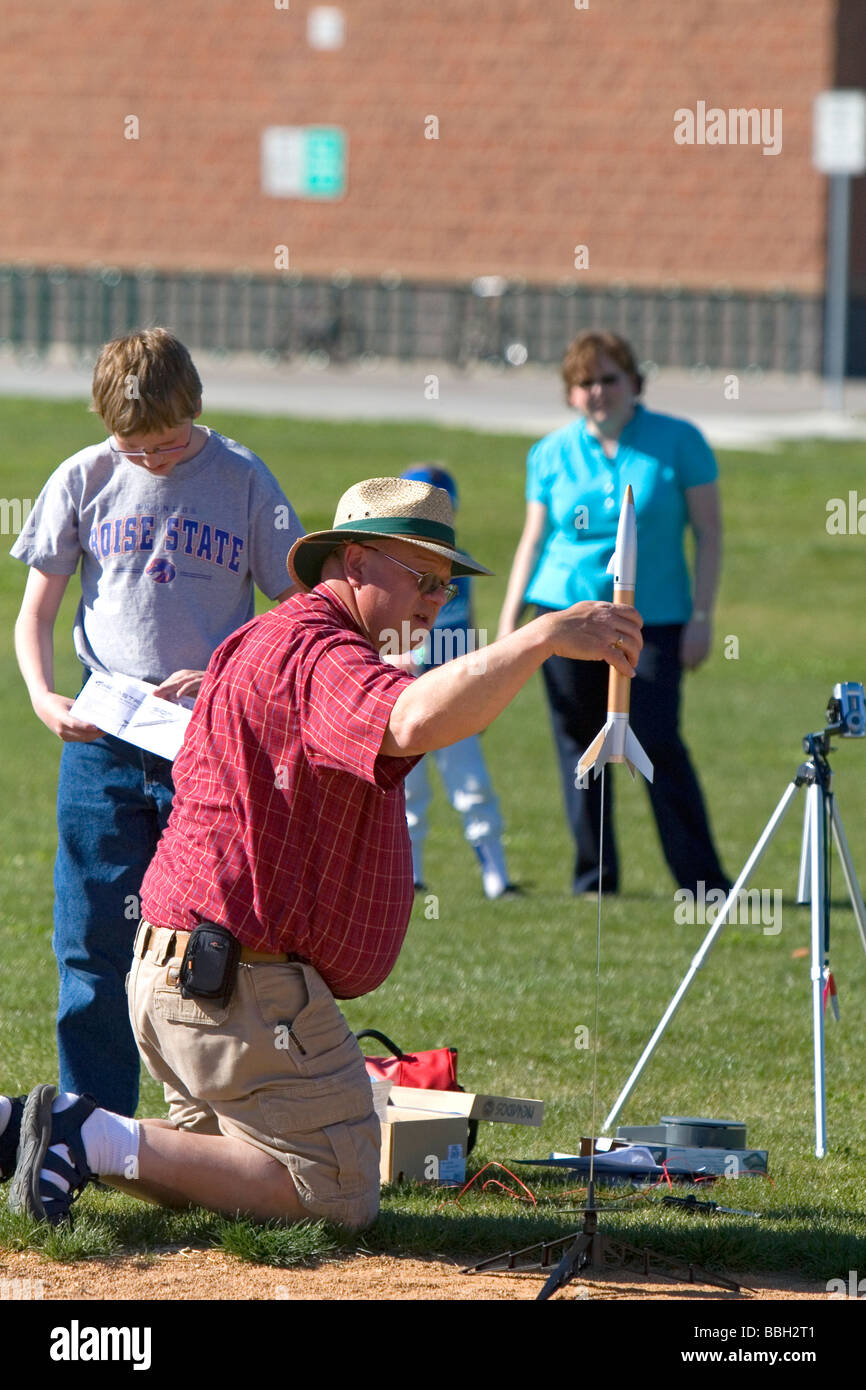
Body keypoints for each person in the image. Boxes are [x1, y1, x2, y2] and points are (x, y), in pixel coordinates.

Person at [3, 476, 642, 1229]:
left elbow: (389, 694)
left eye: (447, 585)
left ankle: (30, 1130)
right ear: (360, 564)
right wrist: (540, 637)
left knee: (233, 1172)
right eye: (424, 579)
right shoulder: (324, 655)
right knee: (336, 1192)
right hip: (234, 992)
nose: (437, 601)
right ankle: (81, 1134)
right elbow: (407, 720)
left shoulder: (277, 637)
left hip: (180, 981)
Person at [9, 328, 303, 1120]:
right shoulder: (83, 476)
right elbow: (34, 613)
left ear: (195, 410)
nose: (154, 461)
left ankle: (209, 1124)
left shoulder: (242, 479)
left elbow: (300, 616)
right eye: (135, 448)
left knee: (212, 943)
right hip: (102, 741)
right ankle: (89, 1127)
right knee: (91, 943)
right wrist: (43, 696)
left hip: (208, 746)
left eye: (169, 445)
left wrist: (221, 677)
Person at [497, 330, 730, 897]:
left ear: (634, 383)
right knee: (578, 743)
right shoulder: (550, 453)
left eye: (609, 378)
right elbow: (534, 539)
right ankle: (594, 879)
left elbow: (710, 531)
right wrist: (509, 625)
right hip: (564, 612)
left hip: (655, 618)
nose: (598, 391)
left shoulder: (679, 442)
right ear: (571, 394)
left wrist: (702, 617)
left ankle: (702, 882)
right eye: (585, 382)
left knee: (655, 737)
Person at [399, 465, 516, 900]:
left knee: (472, 785)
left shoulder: (457, 565)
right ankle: (409, 878)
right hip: (404, 691)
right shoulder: (393, 566)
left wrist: (480, 687)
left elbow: (464, 628)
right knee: (407, 793)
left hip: (452, 691)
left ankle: (496, 878)